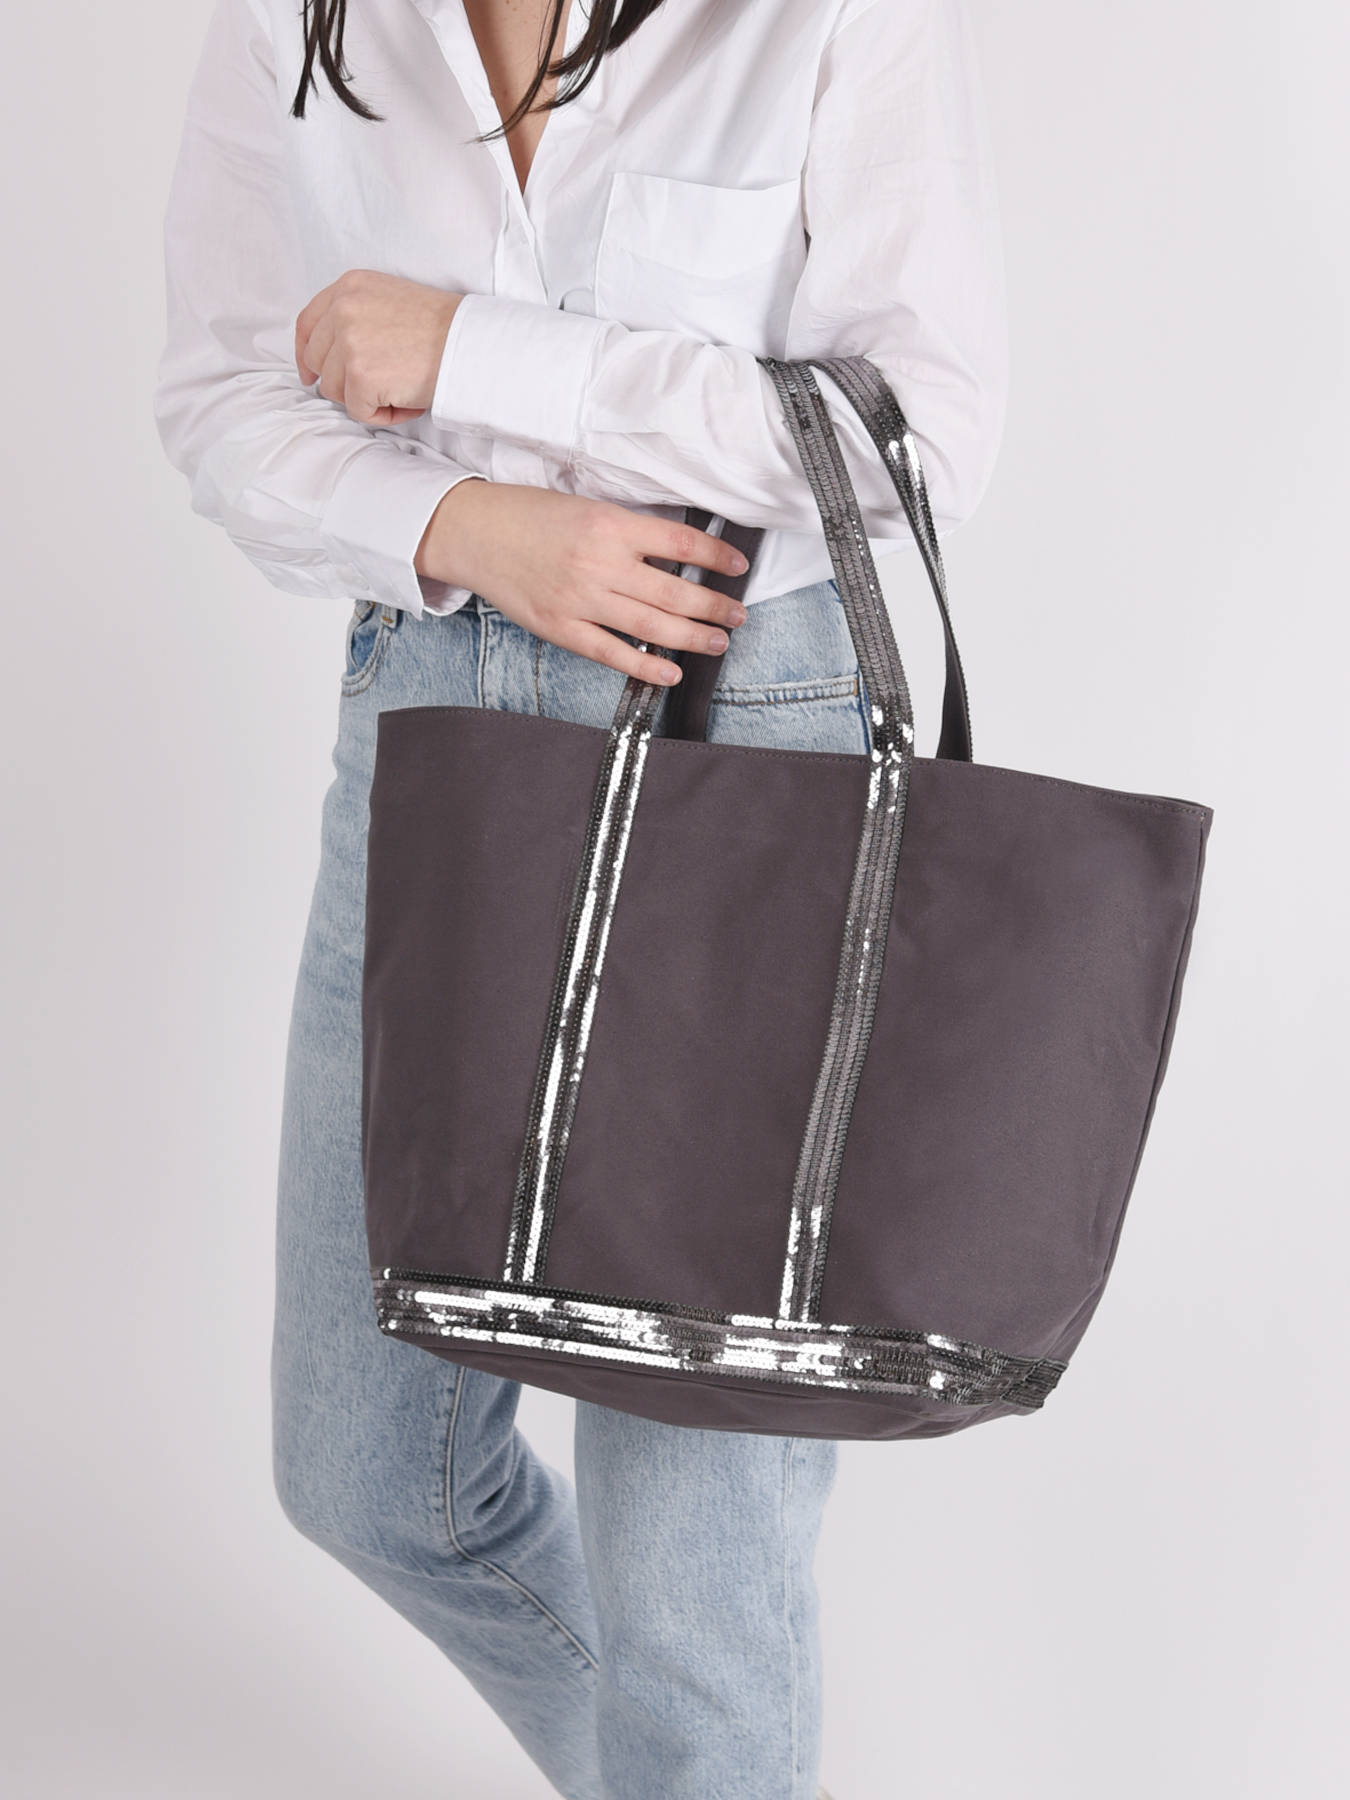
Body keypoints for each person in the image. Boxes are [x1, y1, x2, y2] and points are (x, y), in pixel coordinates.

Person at [152, 2, 1007, 1795]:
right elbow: (223, 393)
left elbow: (914, 440)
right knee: (372, 1479)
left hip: (750, 734)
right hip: (431, 708)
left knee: (692, 1569)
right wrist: (467, 524)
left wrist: (487, 354)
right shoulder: (303, 15)